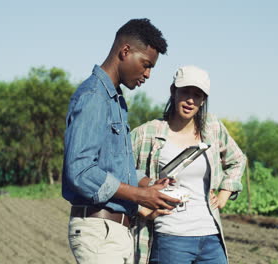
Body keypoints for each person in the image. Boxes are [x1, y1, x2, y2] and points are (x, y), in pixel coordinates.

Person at [62, 18, 181, 264]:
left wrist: (149, 184)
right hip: (99, 231)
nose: (147, 74)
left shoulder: (116, 101)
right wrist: (139, 195)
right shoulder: (94, 96)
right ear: (125, 51)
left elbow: (114, 166)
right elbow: (81, 170)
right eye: (146, 65)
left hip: (114, 232)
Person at [131, 65, 247, 264]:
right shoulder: (148, 133)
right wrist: (142, 209)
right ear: (173, 91)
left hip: (210, 236)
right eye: (185, 91)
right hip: (170, 237)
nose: (190, 100)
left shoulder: (212, 128)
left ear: (203, 100)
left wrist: (224, 194)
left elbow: (237, 160)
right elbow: (117, 171)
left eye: (198, 94)